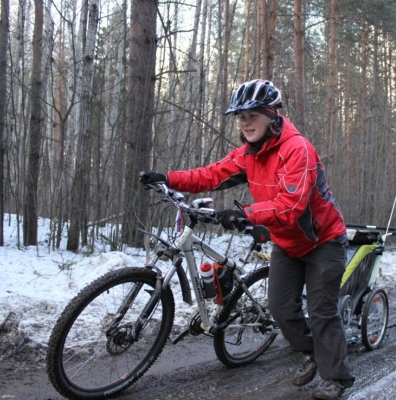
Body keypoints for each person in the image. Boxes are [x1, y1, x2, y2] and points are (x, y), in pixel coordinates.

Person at [139, 79, 354, 399]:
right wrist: (168, 178)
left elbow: (291, 205)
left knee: (322, 311)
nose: (245, 122)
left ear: (272, 114)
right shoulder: (249, 153)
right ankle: (314, 351)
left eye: (252, 114)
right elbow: (211, 174)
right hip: (287, 243)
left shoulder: (298, 150)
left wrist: (246, 214)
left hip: (324, 242)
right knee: (281, 310)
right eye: (240, 116)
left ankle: (336, 377)